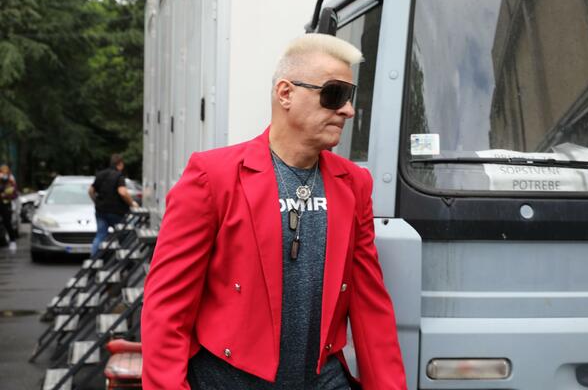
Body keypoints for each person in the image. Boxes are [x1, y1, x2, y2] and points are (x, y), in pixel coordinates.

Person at [142, 34, 407, 390]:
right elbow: (167, 307)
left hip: (322, 379)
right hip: (227, 380)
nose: (347, 110)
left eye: (350, 97)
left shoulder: (354, 183)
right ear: (285, 93)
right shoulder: (213, 176)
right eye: (334, 94)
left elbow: (370, 306)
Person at [88, 154, 138, 256]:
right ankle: (124, 259)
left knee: (100, 235)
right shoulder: (119, 176)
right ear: (120, 164)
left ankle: (94, 259)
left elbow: (91, 191)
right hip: (117, 213)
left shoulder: (100, 174)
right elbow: (122, 192)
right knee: (123, 235)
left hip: (101, 211)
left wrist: (96, 202)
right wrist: (132, 203)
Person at [0, 164, 18, 251]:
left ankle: (12, 241)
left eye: (5, 170)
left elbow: (13, 192)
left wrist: (5, 193)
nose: (4, 171)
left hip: (6, 204)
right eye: (2, 170)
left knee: (7, 222)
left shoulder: (11, 179)